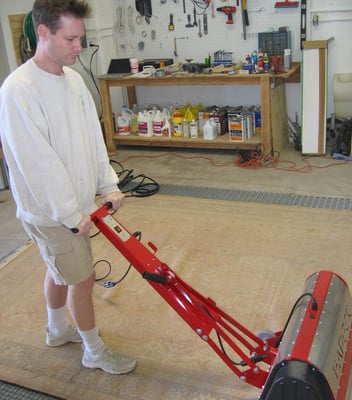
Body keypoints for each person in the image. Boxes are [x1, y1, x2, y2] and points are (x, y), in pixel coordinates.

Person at [0, 0, 136, 375]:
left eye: (81, 38)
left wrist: (107, 184)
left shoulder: (72, 79)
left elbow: (93, 137)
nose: (79, 47)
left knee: (59, 269)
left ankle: (57, 330)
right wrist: (70, 215)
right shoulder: (19, 90)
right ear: (43, 33)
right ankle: (93, 350)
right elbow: (37, 164)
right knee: (83, 278)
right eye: (71, 38)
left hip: (75, 207)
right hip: (50, 212)